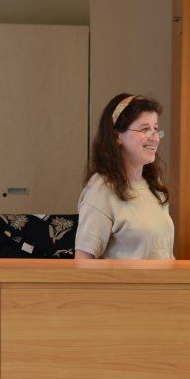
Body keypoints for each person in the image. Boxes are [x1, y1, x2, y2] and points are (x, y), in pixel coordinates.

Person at [74, 93, 174, 260]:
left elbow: (164, 256)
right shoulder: (101, 189)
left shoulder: (154, 185)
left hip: (162, 286)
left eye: (155, 129)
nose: (154, 137)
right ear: (117, 136)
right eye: (145, 129)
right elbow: (84, 263)